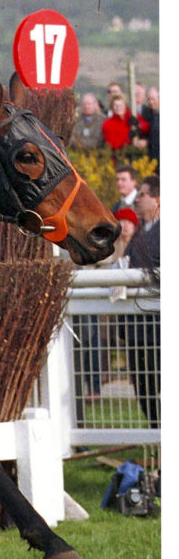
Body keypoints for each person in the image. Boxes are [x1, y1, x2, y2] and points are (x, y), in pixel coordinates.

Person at [123, 175, 159, 428]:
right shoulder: (136, 235)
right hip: (136, 327)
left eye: (143, 194)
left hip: (159, 325)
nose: (138, 199)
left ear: (158, 199)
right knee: (143, 386)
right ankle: (156, 433)